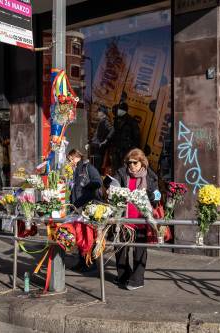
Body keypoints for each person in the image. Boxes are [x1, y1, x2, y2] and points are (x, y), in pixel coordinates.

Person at [114, 148, 159, 290]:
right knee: (120, 249)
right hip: (123, 219)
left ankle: (138, 280)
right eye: (129, 163)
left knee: (139, 250)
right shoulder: (121, 174)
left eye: (135, 163)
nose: (132, 166)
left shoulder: (150, 177)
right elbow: (112, 188)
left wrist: (151, 195)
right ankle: (124, 276)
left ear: (142, 162)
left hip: (141, 220)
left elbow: (158, 197)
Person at [67, 149, 103, 272]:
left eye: (71, 158)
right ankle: (82, 261)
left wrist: (89, 188)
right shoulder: (74, 170)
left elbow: (98, 181)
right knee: (80, 235)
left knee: (88, 236)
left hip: (88, 205)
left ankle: (90, 263)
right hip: (77, 206)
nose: (70, 161)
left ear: (76, 156)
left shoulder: (88, 167)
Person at [110, 102, 140, 172]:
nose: (118, 111)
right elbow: (114, 133)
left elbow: (136, 137)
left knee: (124, 167)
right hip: (116, 147)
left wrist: (133, 150)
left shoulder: (131, 121)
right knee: (115, 166)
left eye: (120, 109)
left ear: (124, 110)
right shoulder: (117, 119)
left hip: (126, 149)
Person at [90, 106, 114, 172]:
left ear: (103, 112)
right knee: (95, 161)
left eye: (99, 111)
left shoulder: (105, 121)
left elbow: (112, 130)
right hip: (96, 144)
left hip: (98, 145)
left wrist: (105, 140)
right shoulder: (102, 120)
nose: (97, 113)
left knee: (97, 163)